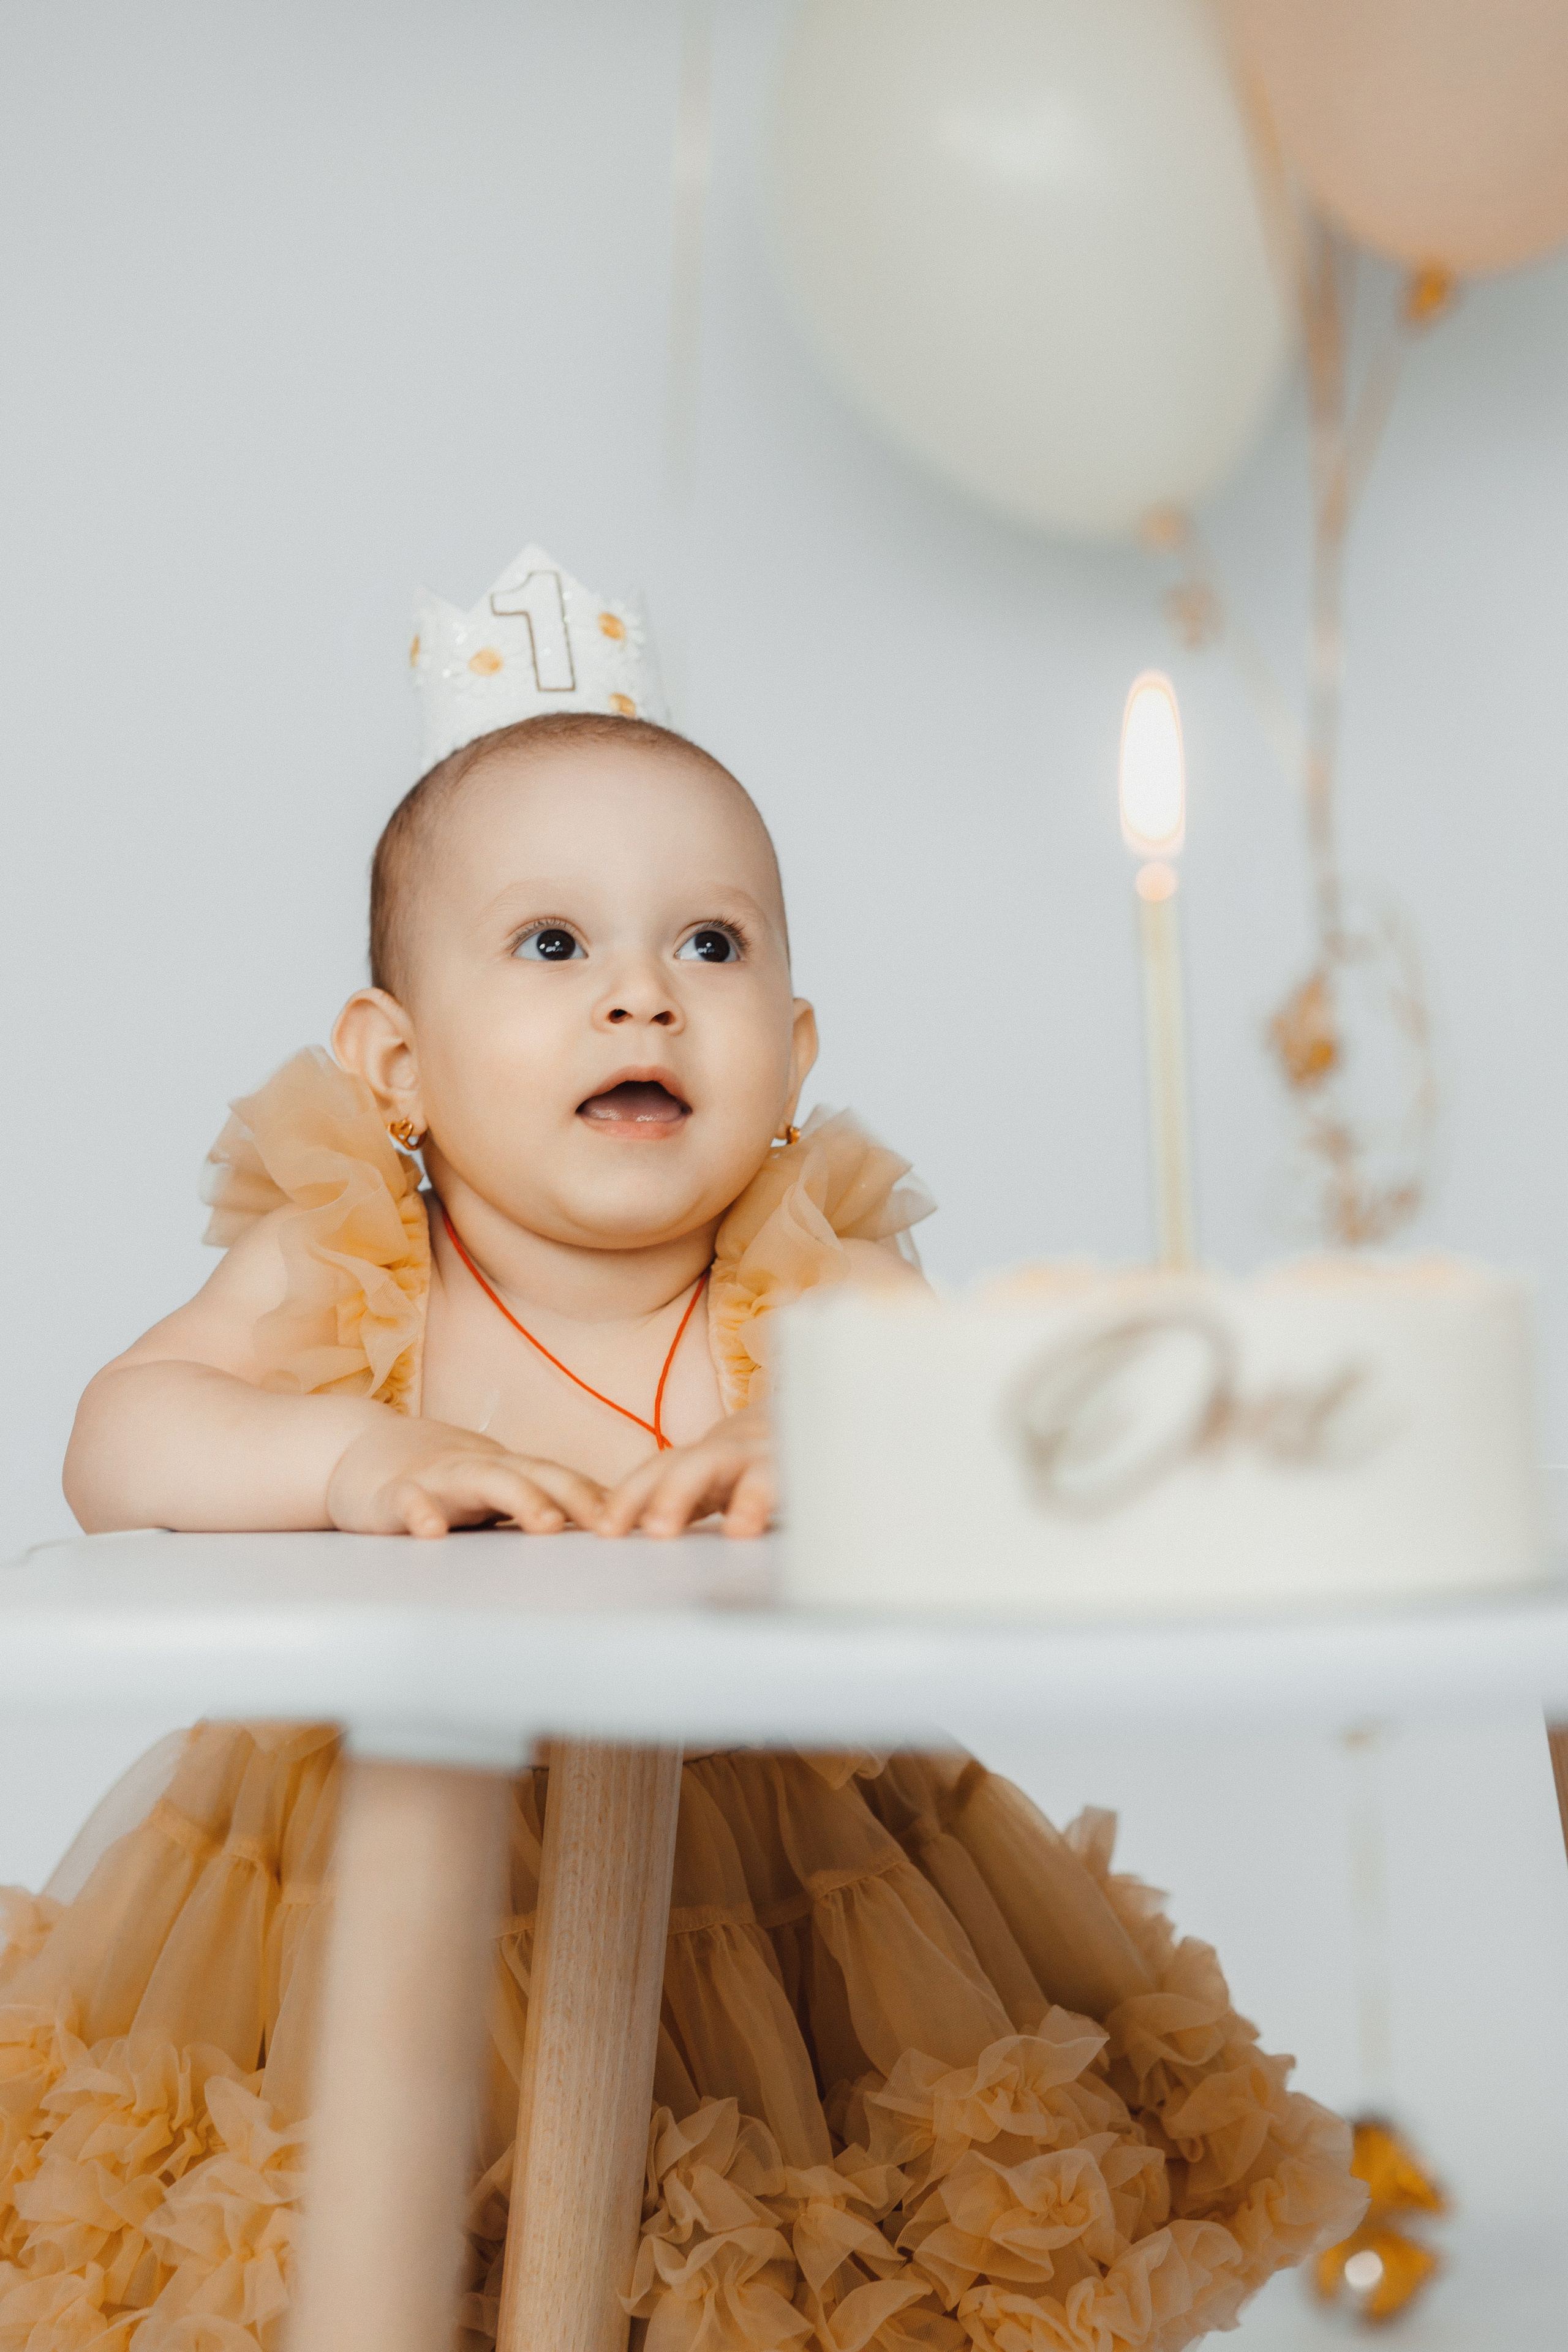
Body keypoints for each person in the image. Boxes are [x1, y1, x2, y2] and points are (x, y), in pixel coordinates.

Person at [1, 551, 1363, 2352]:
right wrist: (344, 1456)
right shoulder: (351, 1254)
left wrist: (836, 1436)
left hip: (769, 1896)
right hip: (383, 1876)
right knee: (376, 2259)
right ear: (391, 1064)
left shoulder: (809, 1267)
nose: (640, 997)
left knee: (775, 2273)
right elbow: (119, 1439)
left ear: (790, 1054)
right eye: (552, 945)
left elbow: (989, 1432)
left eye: (706, 945)